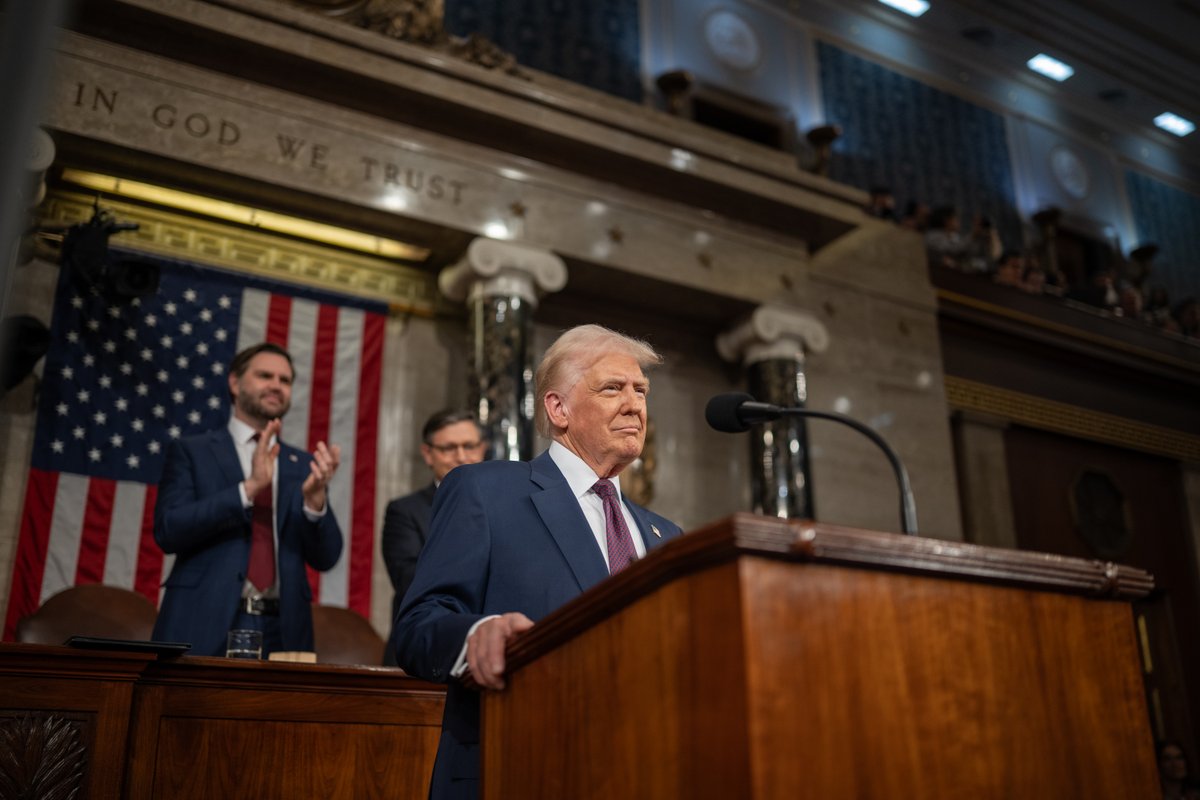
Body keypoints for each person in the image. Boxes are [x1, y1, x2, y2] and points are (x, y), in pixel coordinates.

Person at [394, 324, 684, 800]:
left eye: (641, 391)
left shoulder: (665, 535)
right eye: (612, 388)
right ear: (558, 408)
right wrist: (475, 635)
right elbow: (417, 627)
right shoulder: (485, 492)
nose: (634, 404)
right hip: (520, 766)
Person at [151, 342, 343, 657]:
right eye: (265, 375)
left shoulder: (302, 464)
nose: (276, 386)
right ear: (235, 383)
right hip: (202, 620)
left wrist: (314, 503)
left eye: (285, 380)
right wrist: (249, 488)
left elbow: (327, 557)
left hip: (283, 630)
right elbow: (168, 530)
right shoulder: (193, 451)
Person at [380, 409, 485, 659]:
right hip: (422, 652)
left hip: (487, 651)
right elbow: (410, 581)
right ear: (427, 454)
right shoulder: (404, 511)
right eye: (449, 448)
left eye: (469, 446)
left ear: (483, 449)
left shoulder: (505, 507)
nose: (461, 456)